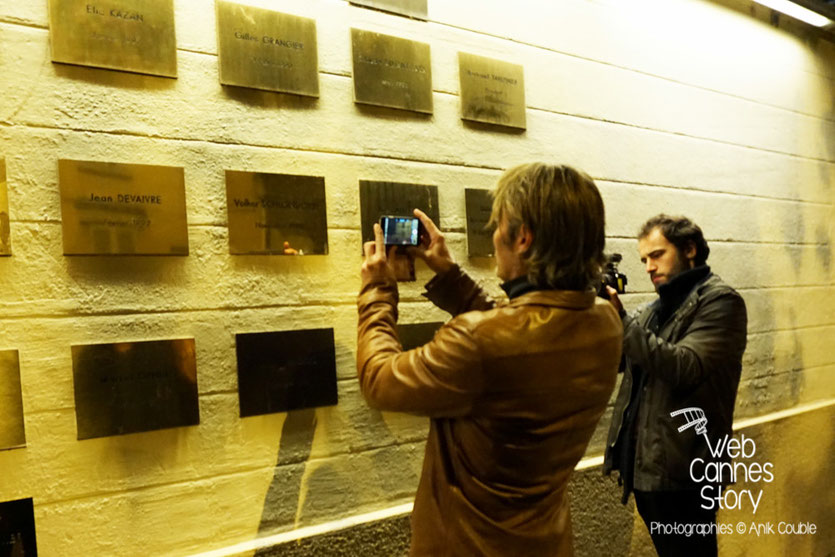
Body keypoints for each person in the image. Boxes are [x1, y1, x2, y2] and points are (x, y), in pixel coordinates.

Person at [356, 163, 623, 556]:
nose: (493, 234)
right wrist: (447, 274)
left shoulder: (481, 342)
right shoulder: (606, 321)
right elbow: (518, 340)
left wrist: (377, 289)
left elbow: (379, 380)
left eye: (498, 224)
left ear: (523, 238)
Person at [603, 215, 748, 557]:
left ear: (690, 249)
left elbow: (685, 366)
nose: (649, 267)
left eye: (657, 255)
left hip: (687, 472)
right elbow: (619, 361)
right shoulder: (655, 310)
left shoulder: (721, 302)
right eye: (644, 261)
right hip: (648, 469)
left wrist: (620, 321)